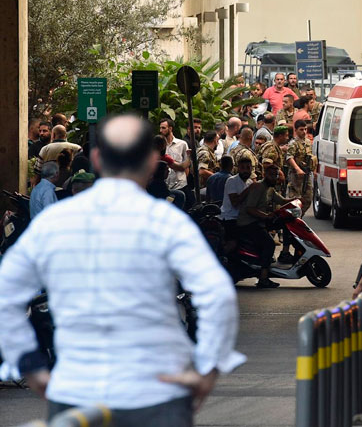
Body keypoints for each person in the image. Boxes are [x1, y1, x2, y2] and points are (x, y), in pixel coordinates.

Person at [0, 114, 243, 425]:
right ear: (151, 161)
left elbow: (8, 293)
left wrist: (31, 366)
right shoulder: (167, 223)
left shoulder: (54, 222)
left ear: (98, 158)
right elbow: (218, 295)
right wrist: (207, 371)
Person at [236, 159, 291, 288]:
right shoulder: (258, 187)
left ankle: (286, 253)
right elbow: (250, 209)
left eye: (276, 175)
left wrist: (296, 200)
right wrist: (266, 216)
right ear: (265, 174)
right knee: (269, 244)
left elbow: (282, 201)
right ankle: (263, 277)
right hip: (249, 222)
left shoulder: (270, 189)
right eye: (271, 175)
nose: (274, 177)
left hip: (260, 220)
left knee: (287, 224)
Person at [286, 120, 316, 216]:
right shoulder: (293, 143)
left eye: (305, 129)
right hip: (296, 175)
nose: (304, 131)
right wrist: (297, 169)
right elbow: (289, 157)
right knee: (295, 199)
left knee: (308, 198)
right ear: (296, 130)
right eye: (301, 129)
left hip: (306, 174)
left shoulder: (307, 142)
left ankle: (299, 217)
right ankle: (293, 219)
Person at [159, 119, 191, 202]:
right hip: (164, 185)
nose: (161, 130)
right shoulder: (161, 150)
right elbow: (182, 166)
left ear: (170, 128)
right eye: (160, 128)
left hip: (179, 185)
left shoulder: (182, 144)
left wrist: (182, 179)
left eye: (163, 128)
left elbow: (185, 166)